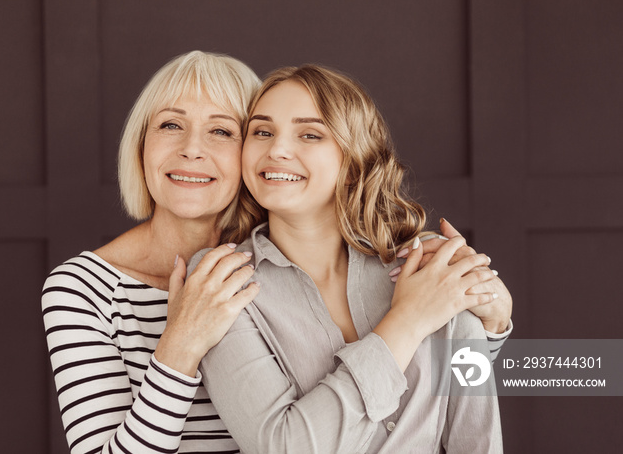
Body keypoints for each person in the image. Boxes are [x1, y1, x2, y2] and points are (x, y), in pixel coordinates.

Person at [196, 65, 508, 453]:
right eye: (262, 131)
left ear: (353, 161)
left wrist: (491, 316)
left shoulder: (431, 265)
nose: (276, 149)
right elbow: (282, 446)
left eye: (310, 134)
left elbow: (476, 436)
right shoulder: (221, 278)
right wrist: (408, 321)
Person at [41, 51, 262, 453]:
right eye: (171, 124)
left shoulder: (281, 265)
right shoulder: (81, 288)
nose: (191, 149)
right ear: (141, 144)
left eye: (222, 131)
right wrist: (181, 343)